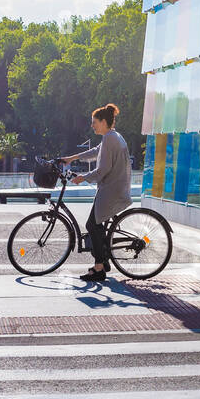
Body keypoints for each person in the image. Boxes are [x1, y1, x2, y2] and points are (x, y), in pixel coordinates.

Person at [63, 103, 132, 283]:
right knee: (96, 226)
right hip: (113, 187)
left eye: (94, 122)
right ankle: (103, 260)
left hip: (111, 190)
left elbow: (102, 170)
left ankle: (99, 269)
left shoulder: (110, 138)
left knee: (92, 226)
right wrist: (73, 158)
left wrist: (83, 177)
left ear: (103, 122)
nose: (92, 125)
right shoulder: (112, 136)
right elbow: (96, 152)